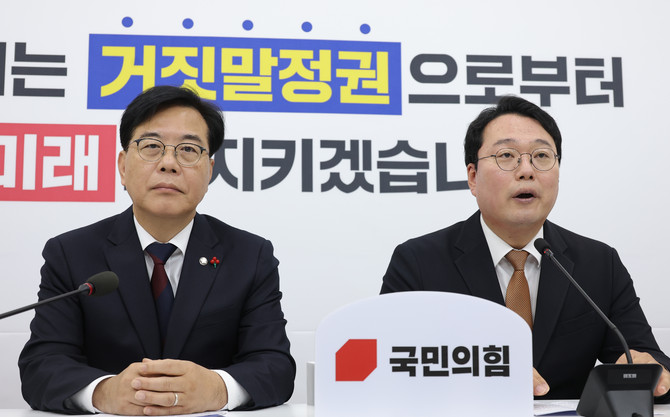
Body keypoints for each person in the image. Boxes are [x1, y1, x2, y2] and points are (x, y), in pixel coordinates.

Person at [19, 85, 296, 415]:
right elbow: (42, 365)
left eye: (188, 150)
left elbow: (275, 366)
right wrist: (104, 392)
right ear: (123, 165)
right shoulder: (71, 253)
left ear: (209, 170)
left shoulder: (249, 256)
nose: (168, 163)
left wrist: (217, 388)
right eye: (151, 146)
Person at [380, 95, 670, 401]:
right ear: (473, 177)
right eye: (507, 155)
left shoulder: (599, 264)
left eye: (542, 156)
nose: (527, 170)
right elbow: (386, 365)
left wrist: (653, 372)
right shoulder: (419, 262)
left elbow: (647, 358)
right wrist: (476, 373)